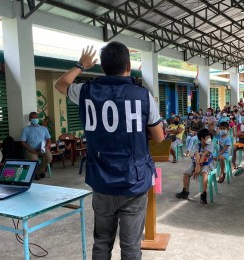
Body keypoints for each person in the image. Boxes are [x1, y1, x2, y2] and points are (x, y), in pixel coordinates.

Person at [54, 43, 164, 260]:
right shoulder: (142, 95)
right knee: (131, 246)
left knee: (102, 242)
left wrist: (81, 65)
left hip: (102, 180)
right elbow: (159, 137)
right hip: (133, 181)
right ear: (129, 66)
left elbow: (61, 84)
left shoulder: (86, 91)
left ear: (102, 67)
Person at [175, 128, 215, 205]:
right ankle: (185, 192)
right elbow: (197, 155)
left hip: (207, 164)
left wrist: (198, 167)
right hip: (196, 163)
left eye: (210, 137)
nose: (209, 139)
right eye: (207, 137)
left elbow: (203, 155)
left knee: (204, 173)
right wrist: (197, 166)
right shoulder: (197, 145)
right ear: (202, 139)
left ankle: (203, 194)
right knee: (186, 173)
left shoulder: (211, 144)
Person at [20, 112, 52, 180]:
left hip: (42, 149)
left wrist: (45, 147)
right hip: (31, 150)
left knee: (49, 157)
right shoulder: (26, 129)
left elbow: (49, 140)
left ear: (38, 119)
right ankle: (40, 172)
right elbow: (22, 142)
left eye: (36, 117)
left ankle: (38, 172)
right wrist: (30, 150)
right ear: (29, 119)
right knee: (34, 160)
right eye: (33, 118)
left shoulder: (44, 129)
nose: (35, 119)